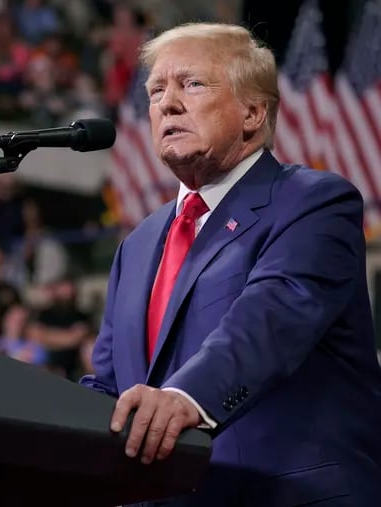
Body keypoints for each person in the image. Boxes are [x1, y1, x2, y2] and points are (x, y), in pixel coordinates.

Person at [80, 23, 381, 506]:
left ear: (253, 112)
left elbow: (270, 319)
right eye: (156, 89)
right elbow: (112, 387)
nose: (166, 104)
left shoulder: (312, 203)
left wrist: (185, 399)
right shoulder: (137, 245)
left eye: (192, 84)